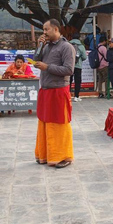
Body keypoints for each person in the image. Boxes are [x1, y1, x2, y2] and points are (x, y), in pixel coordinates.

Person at [33, 19, 75, 168]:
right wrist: (39, 46)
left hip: (58, 90)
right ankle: (44, 155)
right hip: (45, 89)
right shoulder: (46, 46)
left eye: (46, 30)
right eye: (43, 30)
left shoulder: (66, 47)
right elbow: (36, 60)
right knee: (44, 122)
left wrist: (47, 67)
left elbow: (69, 70)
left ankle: (63, 156)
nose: (44, 33)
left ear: (56, 29)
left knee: (59, 123)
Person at [69, 33, 87, 102]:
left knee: (69, 80)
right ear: (79, 38)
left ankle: (68, 95)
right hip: (78, 66)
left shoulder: (68, 45)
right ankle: (76, 96)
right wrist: (80, 60)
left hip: (69, 65)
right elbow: (84, 56)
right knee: (77, 81)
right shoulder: (81, 46)